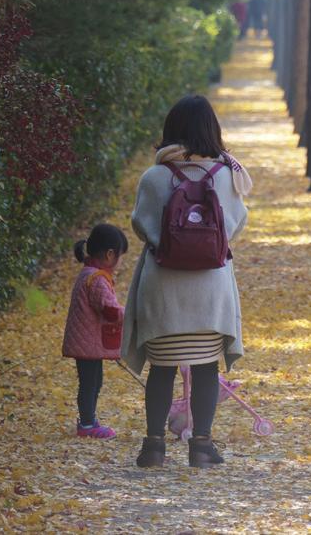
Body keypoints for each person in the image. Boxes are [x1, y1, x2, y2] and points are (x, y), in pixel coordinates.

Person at [122, 95, 251, 468]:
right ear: (212, 130)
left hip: (163, 292)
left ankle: (153, 446)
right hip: (211, 293)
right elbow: (237, 224)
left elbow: (140, 225)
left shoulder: (154, 176)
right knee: (206, 366)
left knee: (162, 368)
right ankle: (202, 446)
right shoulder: (227, 175)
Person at [62, 223, 128, 439]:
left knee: (93, 380)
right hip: (87, 342)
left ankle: (88, 419)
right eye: (121, 255)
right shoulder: (97, 279)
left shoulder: (88, 273)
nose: (121, 261)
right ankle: (87, 425)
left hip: (86, 341)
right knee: (90, 382)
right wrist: (132, 315)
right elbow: (110, 311)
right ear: (110, 254)